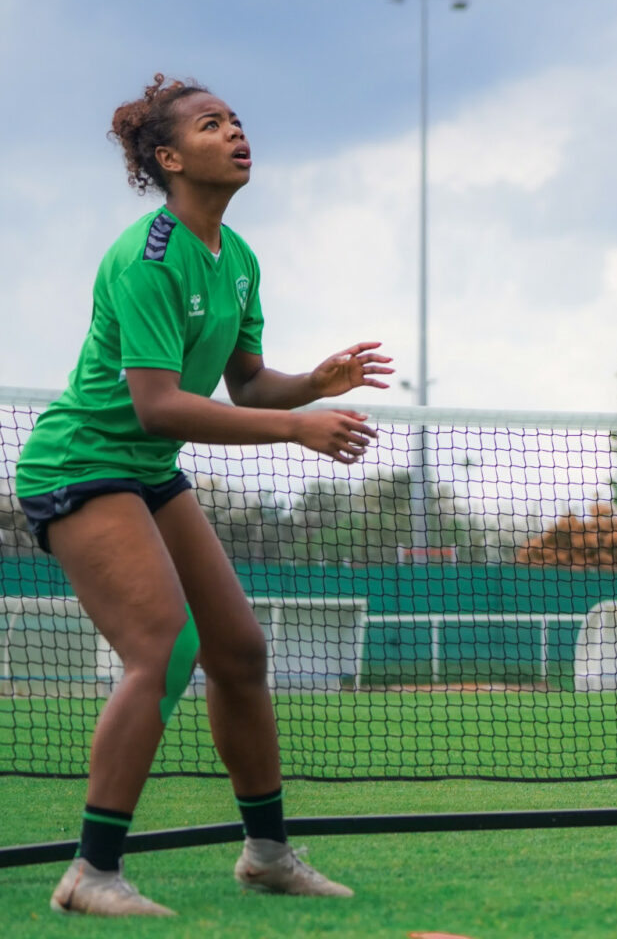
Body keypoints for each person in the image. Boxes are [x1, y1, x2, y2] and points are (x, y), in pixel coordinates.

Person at [16, 74, 392, 917]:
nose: (235, 133)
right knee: (162, 647)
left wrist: (313, 384)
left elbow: (247, 384)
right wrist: (297, 429)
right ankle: (91, 874)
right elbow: (158, 406)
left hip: (145, 469)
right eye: (211, 125)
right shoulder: (146, 258)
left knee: (240, 652)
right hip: (81, 464)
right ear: (170, 158)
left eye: (237, 121)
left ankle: (268, 856)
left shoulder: (239, 258)